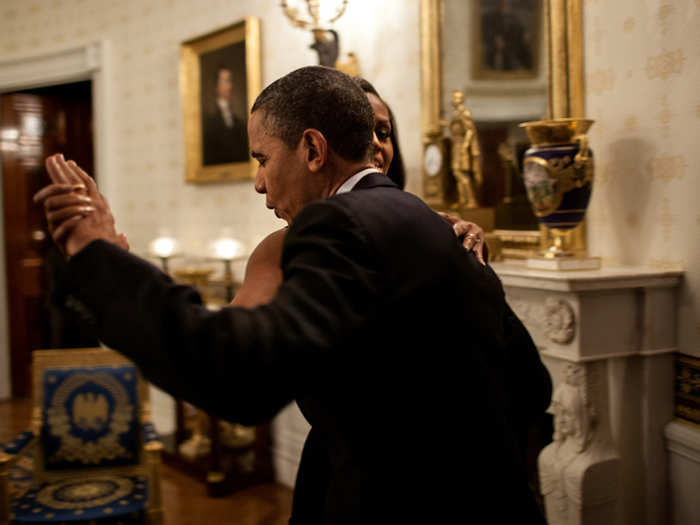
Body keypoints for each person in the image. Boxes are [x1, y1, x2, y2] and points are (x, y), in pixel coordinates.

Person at [35, 66, 550, 524]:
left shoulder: (340, 224)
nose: (259, 183)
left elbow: (238, 373)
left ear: (312, 149)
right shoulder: (434, 224)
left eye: (262, 158)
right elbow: (533, 384)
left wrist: (99, 258)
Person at [233, 76, 488, 307]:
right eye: (362, 132)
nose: (373, 143)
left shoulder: (433, 228)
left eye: (382, 132)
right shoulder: (286, 246)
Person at [202, 66, 249, 165]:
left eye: (230, 81)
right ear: (216, 86)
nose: (230, 86)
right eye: (226, 81)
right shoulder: (209, 118)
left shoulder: (236, 119)